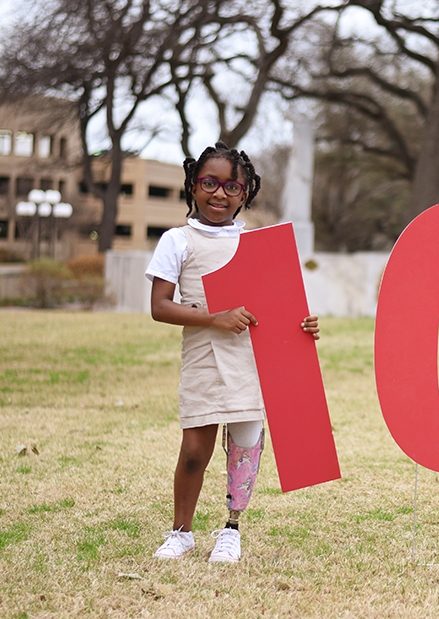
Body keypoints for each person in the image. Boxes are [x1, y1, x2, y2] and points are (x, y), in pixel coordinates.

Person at [144, 142, 320, 563]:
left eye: (231, 187)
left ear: (245, 194)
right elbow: (159, 307)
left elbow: (279, 308)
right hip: (204, 354)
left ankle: (231, 529)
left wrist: (304, 325)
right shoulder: (177, 240)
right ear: (192, 185)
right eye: (209, 183)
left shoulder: (257, 244)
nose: (219, 194)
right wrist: (213, 317)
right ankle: (181, 532)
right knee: (193, 450)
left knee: (246, 445)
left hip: (251, 359)